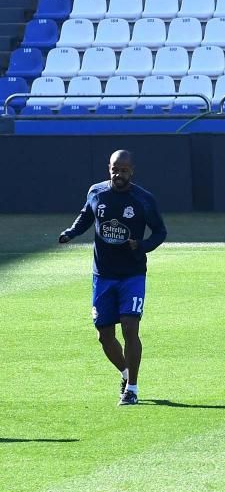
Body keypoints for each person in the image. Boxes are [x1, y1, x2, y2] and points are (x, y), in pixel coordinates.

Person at [58, 150, 167, 406]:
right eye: (114, 169)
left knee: (130, 327)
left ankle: (133, 389)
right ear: (109, 168)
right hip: (103, 274)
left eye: (124, 170)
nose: (119, 174)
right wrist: (71, 233)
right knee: (104, 334)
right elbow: (86, 216)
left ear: (132, 170)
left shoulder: (143, 199)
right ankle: (125, 373)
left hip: (132, 274)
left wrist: (142, 245)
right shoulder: (96, 192)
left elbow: (160, 232)